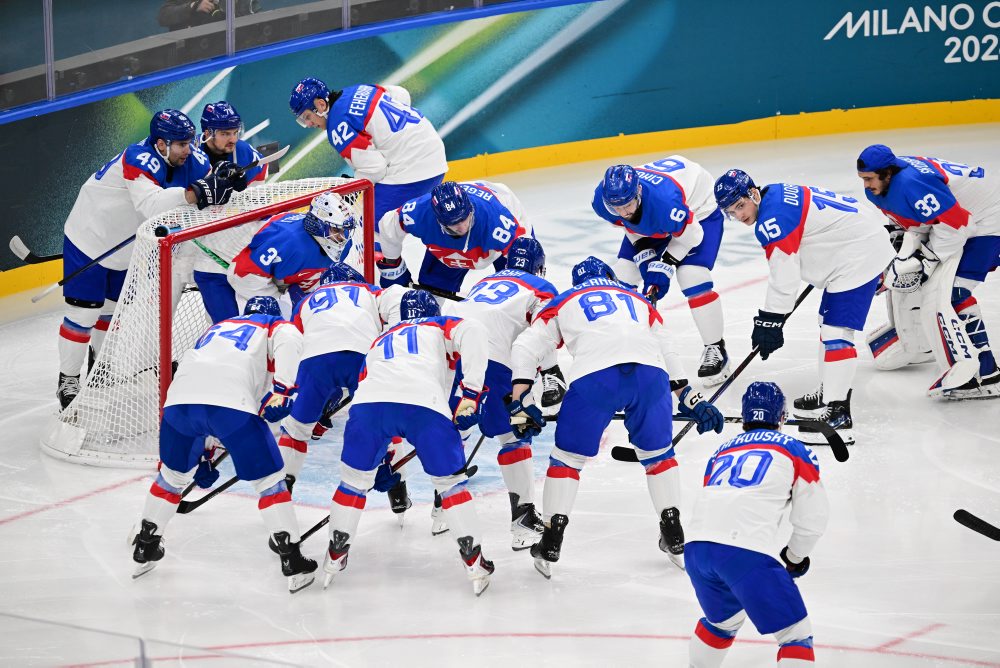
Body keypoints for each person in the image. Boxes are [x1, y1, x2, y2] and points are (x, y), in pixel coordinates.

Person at [508, 256, 724, 578]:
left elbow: (525, 347)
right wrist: (690, 399)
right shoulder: (637, 299)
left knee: (567, 459)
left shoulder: (562, 300)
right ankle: (674, 533)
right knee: (659, 455)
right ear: (611, 277)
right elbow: (668, 350)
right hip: (651, 378)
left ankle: (552, 538)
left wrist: (520, 401)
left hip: (595, 379)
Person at [128, 296, 317, 593]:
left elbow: (206, 386)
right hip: (230, 407)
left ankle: (145, 545)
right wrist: (283, 390)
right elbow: (290, 342)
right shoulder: (274, 325)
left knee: (173, 477)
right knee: (270, 482)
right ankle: (291, 559)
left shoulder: (216, 329)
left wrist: (205, 453)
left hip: (178, 404)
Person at [57, 109, 237, 410]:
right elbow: (152, 206)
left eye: (189, 142)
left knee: (111, 313)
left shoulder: (193, 159)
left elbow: (202, 199)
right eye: (179, 144)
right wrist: (196, 193)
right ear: (160, 144)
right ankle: (68, 380)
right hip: (90, 239)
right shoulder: (138, 158)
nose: (186, 149)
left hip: (126, 250)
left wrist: (224, 185)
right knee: (84, 315)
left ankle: (100, 369)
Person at [322, 289, 496, 596]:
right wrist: (471, 394)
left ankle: (335, 554)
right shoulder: (440, 325)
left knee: (353, 482)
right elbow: (475, 330)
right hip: (424, 406)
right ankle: (474, 560)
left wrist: (386, 458)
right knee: (451, 483)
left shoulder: (379, 341)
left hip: (367, 409)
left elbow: (374, 390)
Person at [713, 169, 894, 444]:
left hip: (858, 256)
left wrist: (770, 320)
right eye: (731, 212)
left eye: (740, 206)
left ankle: (838, 416)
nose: (739, 215)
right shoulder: (773, 192)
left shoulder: (772, 220)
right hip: (856, 245)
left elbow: (785, 278)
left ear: (753, 194)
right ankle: (830, 391)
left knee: (837, 332)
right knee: (828, 324)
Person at [684, 381, 829, 667]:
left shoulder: (720, 452)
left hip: (696, 549)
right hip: (743, 551)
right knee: (795, 635)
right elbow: (813, 518)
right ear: (782, 417)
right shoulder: (795, 449)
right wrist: (795, 556)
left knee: (722, 623)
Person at [443, 236, 560, 549]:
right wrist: (550, 375)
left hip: (450, 355)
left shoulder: (485, 280)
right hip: (493, 360)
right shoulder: (540, 286)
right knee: (514, 435)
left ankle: (442, 508)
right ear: (539, 266)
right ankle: (522, 519)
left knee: (453, 426)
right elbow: (543, 332)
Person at [857, 144, 1000, 399]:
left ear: (887, 173)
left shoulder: (912, 184)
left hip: (989, 217)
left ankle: (987, 373)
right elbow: (916, 222)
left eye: (869, 179)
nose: (866, 185)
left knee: (955, 290)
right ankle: (923, 344)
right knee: (917, 276)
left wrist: (926, 259)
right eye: (863, 179)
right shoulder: (884, 188)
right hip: (966, 216)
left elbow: (959, 226)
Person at [276, 261, 409, 505]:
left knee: (296, 430)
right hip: (362, 358)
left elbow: (292, 341)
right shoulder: (370, 291)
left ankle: (282, 487)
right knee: (383, 419)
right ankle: (397, 487)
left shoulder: (306, 301)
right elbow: (399, 300)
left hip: (315, 363)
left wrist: (297, 392)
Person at [592, 158, 730, 386]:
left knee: (692, 275)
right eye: (616, 207)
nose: (623, 212)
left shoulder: (666, 203)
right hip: (661, 210)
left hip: (698, 210)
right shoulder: (604, 202)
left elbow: (693, 235)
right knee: (624, 276)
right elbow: (633, 227)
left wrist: (665, 263)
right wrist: (645, 258)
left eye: (627, 204)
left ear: (638, 191)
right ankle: (621, 349)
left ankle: (716, 347)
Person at [288, 77, 447, 225]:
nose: (308, 124)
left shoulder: (338, 126)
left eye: (307, 117)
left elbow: (375, 169)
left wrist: (350, 190)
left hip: (416, 170)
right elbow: (402, 94)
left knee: (369, 226)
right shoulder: (360, 90)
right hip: (434, 150)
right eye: (303, 121)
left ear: (321, 105)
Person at [376, 180, 533, 297]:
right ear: (438, 220)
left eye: (464, 219)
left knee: (517, 291)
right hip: (445, 244)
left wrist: (524, 287)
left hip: (492, 239)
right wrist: (393, 264)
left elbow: (525, 252)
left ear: (470, 208)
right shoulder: (419, 212)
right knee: (429, 296)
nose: (462, 227)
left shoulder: (499, 225)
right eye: (454, 224)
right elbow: (389, 224)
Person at [188, 100, 269, 323]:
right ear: (207, 133)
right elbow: (181, 200)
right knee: (165, 301)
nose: (233, 138)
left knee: (222, 312)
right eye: (225, 133)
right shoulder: (189, 154)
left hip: (225, 243)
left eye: (235, 132)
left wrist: (241, 190)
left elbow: (256, 203)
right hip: (188, 242)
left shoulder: (245, 154)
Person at [228, 190, 359, 313]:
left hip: (283, 275)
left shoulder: (343, 244)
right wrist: (278, 303)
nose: (343, 237)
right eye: (336, 230)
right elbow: (241, 273)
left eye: (344, 230)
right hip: (237, 262)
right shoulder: (287, 242)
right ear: (319, 226)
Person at [158, 0, 259, 31]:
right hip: (192, 54)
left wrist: (235, 6)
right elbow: (163, 16)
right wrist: (193, 7)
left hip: (227, 50)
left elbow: (256, 25)